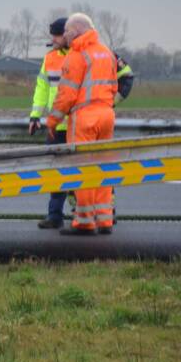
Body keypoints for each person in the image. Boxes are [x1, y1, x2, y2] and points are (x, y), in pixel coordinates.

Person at [46, 13, 118, 235]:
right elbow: (114, 87)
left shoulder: (76, 55)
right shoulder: (106, 53)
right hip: (106, 114)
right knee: (103, 168)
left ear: (76, 31)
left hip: (84, 117)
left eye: (67, 31)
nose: (64, 35)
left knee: (83, 170)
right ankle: (104, 220)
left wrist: (52, 120)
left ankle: (85, 221)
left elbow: (66, 95)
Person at [30, 18, 71, 228]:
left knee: (79, 172)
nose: (53, 39)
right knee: (54, 173)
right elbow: (42, 88)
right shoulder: (50, 58)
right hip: (55, 126)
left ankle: (83, 215)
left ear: (67, 35)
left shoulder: (79, 56)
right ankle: (55, 216)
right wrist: (35, 116)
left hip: (76, 126)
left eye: (56, 35)